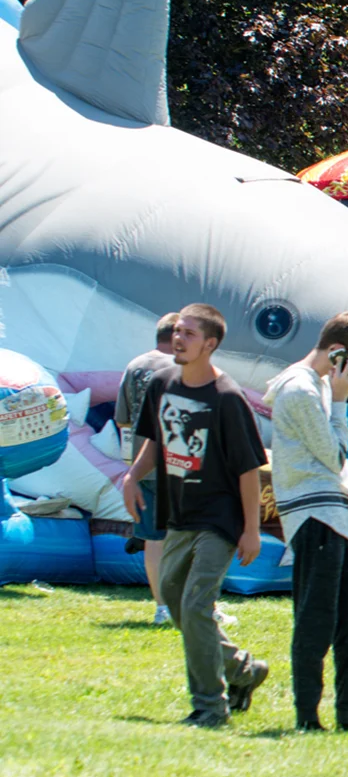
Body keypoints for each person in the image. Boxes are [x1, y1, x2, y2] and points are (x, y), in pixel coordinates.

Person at [118, 303, 270, 728]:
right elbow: (153, 440)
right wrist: (132, 476)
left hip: (220, 518)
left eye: (188, 333)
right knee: (174, 599)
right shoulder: (162, 382)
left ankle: (210, 707)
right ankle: (243, 669)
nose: (178, 339)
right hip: (178, 512)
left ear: (211, 344)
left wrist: (252, 531)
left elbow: (247, 470)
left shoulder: (228, 398)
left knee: (196, 603)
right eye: (177, 331)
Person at [264, 311, 348, 733]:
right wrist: (340, 401)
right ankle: (308, 718)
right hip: (314, 517)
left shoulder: (316, 388)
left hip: (337, 515)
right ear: (337, 355)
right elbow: (332, 455)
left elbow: (333, 465)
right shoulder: (300, 389)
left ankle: (346, 719)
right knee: (315, 619)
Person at [116, 312, 180, 624]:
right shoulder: (182, 367)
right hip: (179, 464)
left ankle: (162, 608)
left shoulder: (135, 366)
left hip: (142, 466)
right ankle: (200, 606)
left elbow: (123, 418)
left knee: (154, 539)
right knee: (188, 536)